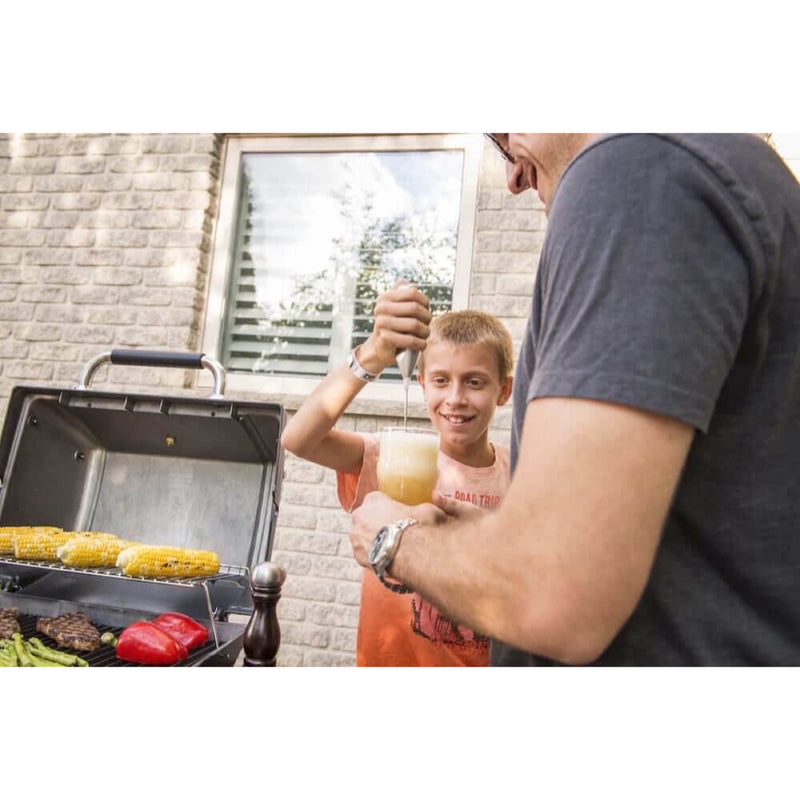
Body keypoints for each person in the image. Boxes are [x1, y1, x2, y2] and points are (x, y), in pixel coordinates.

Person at [348, 133, 800, 666]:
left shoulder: (639, 169)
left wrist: (393, 540)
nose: (513, 177)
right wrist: (494, 540)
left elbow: (550, 593)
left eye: (504, 135)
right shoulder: (710, 166)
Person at [281, 284, 514, 666]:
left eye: (474, 382)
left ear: (503, 391)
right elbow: (299, 439)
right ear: (421, 385)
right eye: (441, 380)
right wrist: (372, 354)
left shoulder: (519, 474)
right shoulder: (390, 454)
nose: (455, 398)